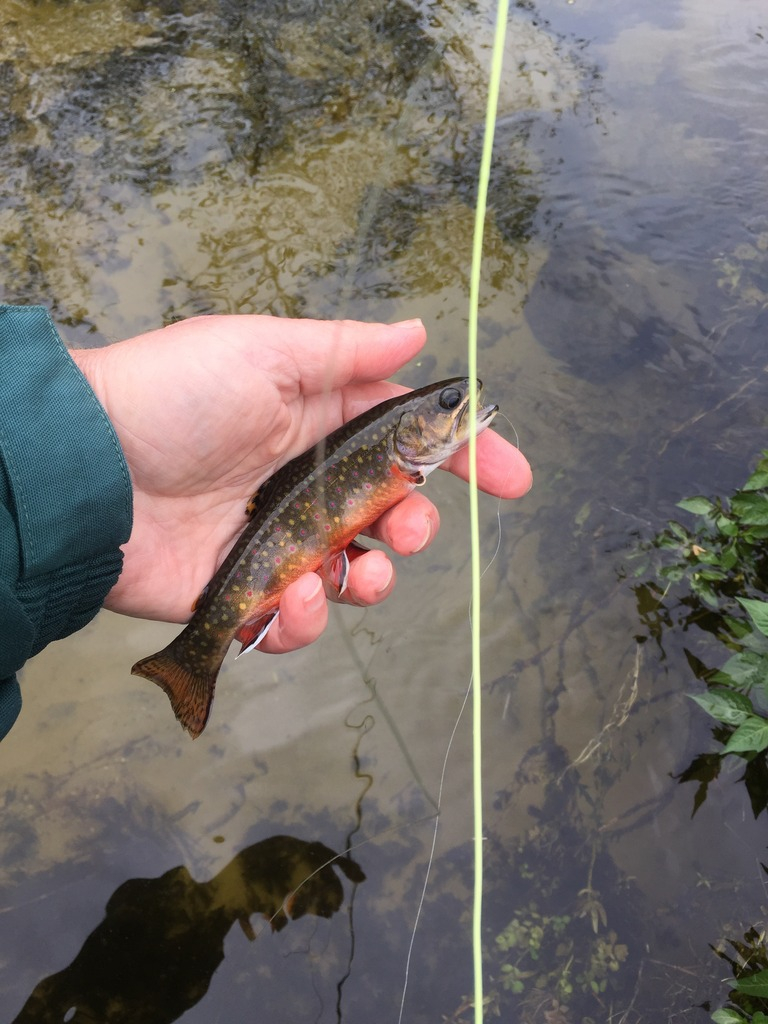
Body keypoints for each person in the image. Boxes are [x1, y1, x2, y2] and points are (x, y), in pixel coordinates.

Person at [0, 306, 532, 740]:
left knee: (361, 561)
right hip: (274, 540)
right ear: (407, 429)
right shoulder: (394, 459)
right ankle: (189, 660)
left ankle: (191, 657)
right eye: (450, 402)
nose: (461, 403)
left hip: (272, 533)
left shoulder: (396, 458)